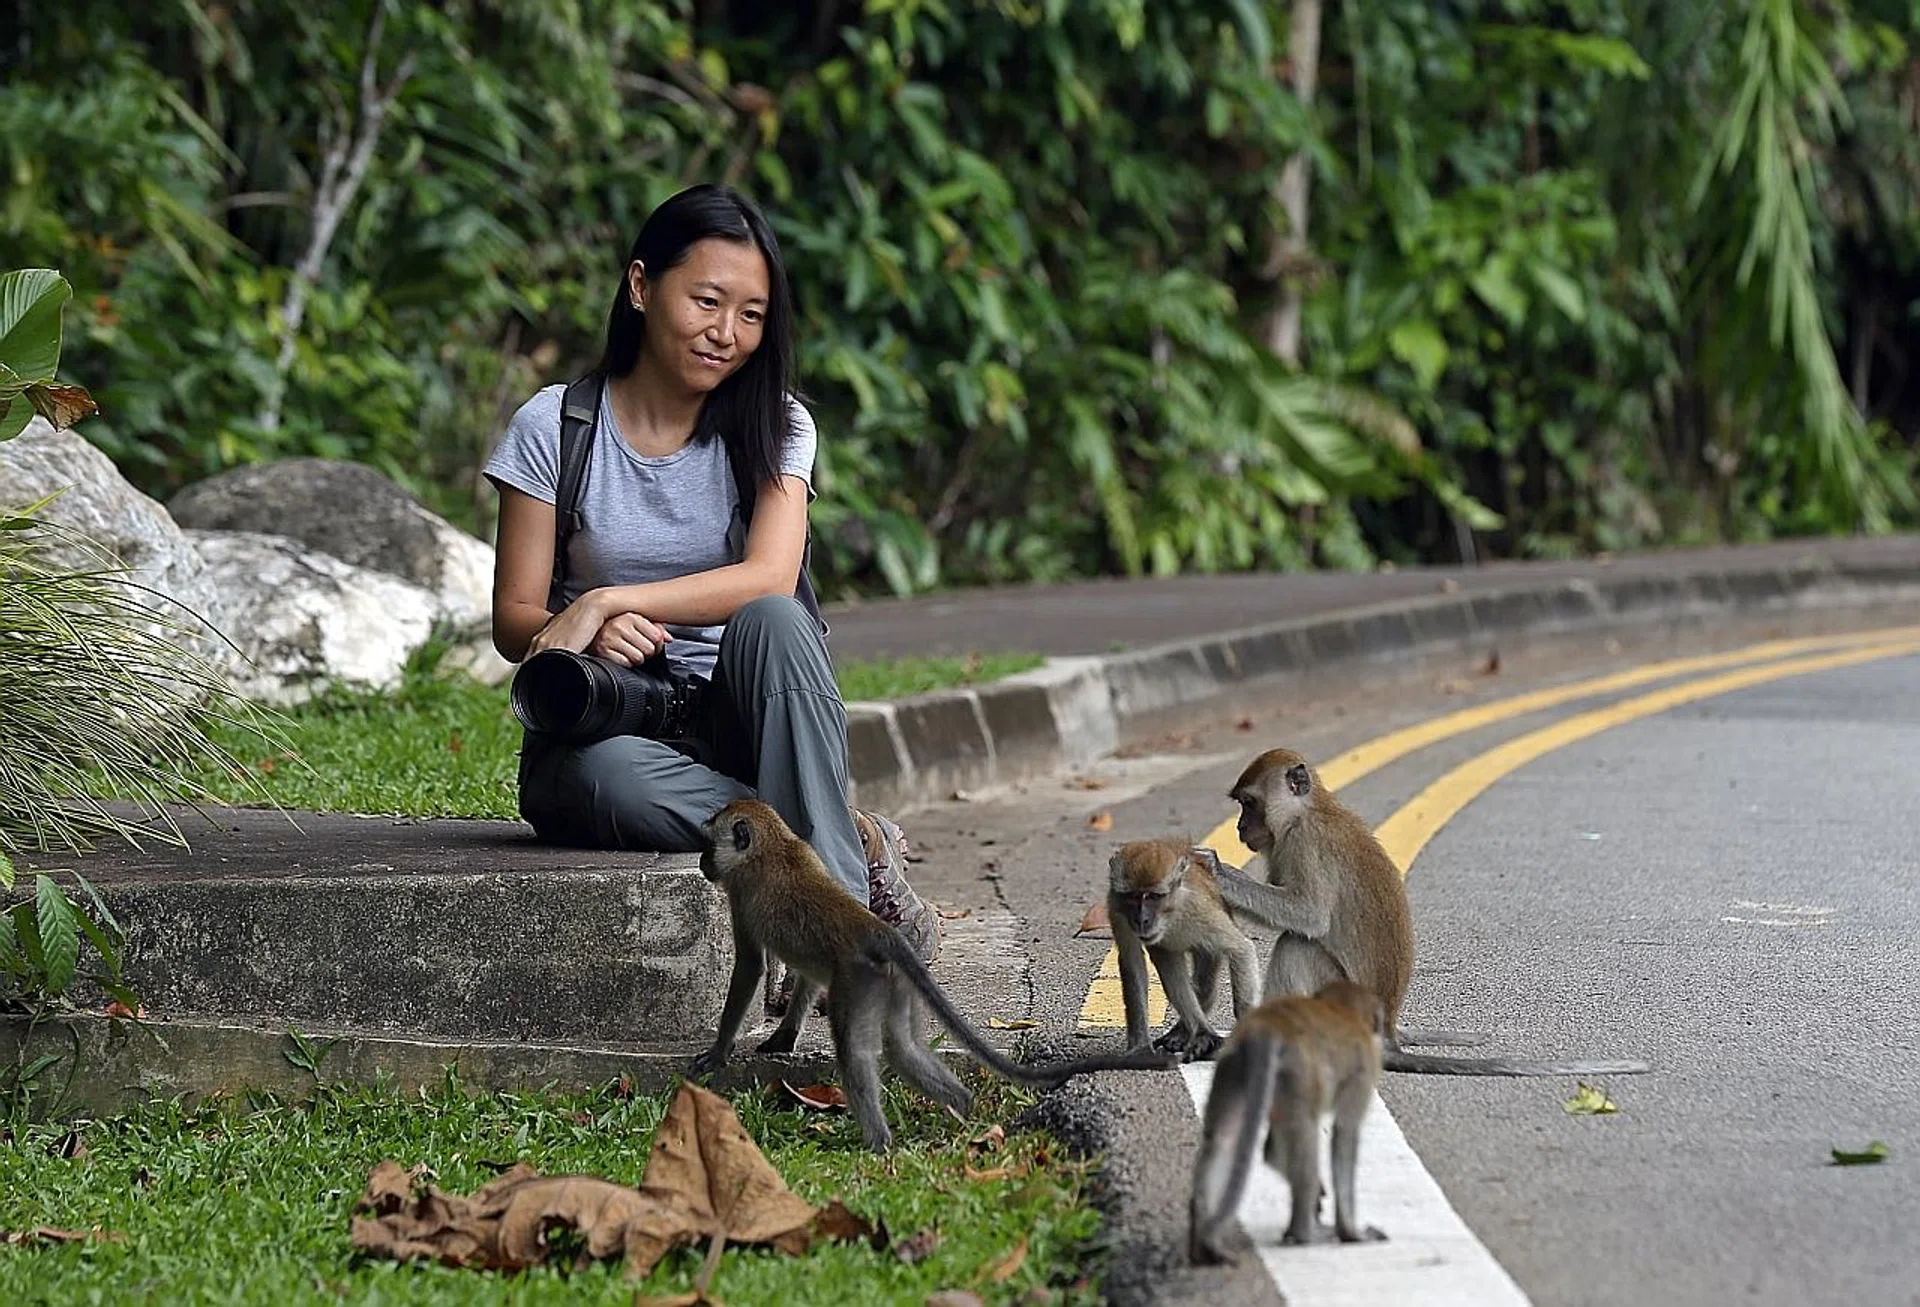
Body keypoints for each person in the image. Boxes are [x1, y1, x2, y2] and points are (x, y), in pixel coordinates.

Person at [482, 183, 939, 977]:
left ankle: (847, 944)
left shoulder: (778, 424)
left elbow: (769, 573)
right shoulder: (556, 426)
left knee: (776, 616)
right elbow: (514, 619)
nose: (726, 333)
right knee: (595, 777)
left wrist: (607, 597)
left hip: (747, 712)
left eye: (752, 314)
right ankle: (846, 836)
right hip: (616, 724)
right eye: (707, 301)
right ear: (640, 286)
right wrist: (585, 630)